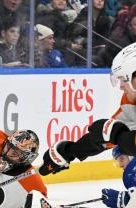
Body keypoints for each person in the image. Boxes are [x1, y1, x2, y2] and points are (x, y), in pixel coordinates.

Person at [39, 42, 136, 181]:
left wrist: (117, 135)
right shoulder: (130, 101)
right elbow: (104, 137)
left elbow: (119, 136)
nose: (120, 86)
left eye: (123, 79)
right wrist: (69, 151)